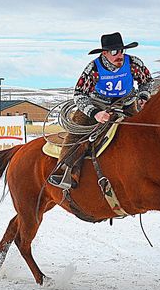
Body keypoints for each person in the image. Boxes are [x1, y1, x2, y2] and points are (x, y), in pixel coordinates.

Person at [48, 32, 154, 189]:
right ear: (104, 53)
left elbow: (147, 81)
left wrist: (143, 96)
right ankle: (65, 172)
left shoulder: (133, 63)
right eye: (114, 52)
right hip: (97, 104)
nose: (119, 55)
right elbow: (79, 94)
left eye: (121, 51)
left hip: (127, 104)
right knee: (77, 134)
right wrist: (95, 113)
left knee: (144, 132)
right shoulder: (93, 68)